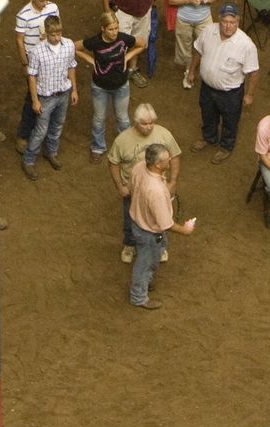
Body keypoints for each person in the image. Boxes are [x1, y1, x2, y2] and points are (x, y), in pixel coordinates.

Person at [108, 104, 182, 263]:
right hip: (133, 190)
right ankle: (129, 244)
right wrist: (120, 186)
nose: (149, 127)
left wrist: (173, 182)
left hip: (158, 189)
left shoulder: (164, 134)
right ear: (135, 122)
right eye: (144, 124)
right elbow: (113, 162)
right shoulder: (123, 140)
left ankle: (161, 247)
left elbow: (175, 156)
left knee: (161, 220)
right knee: (130, 219)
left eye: (151, 123)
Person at [127, 144, 196, 309]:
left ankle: (146, 282)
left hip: (138, 223)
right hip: (149, 232)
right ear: (158, 164)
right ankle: (138, 297)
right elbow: (166, 224)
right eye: (167, 159)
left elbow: (131, 188)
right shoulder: (156, 191)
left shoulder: (138, 168)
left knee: (153, 254)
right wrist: (185, 230)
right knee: (145, 263)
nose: (170, 160)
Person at [188, 6, 260, 164]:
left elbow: (253, 72)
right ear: (219, 20)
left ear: (238, 21)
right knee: (207, 114)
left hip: (230, 93)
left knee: (230, 120)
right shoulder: (208, 31)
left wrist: (249, 94)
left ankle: (226, 147)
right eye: (225, 22)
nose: (228, 26)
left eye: (232, 22)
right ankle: (209, 138)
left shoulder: (246, 45)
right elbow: (198, 51)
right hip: (207, 88)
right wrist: (191, 71)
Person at [79, 12, 144, 162]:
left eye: (116, 28)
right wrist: (91, 60)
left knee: (123, 119)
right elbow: (75, 47)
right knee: (99, 118)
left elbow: (142, 44)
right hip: (99, 87)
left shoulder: (123, 38)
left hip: (121, 86)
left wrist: (126, 57)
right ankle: (97, 147)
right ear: (103, 29)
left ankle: (126, 147)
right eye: (111, 29)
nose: (114, 32)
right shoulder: (95, 42)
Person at [22, 16, 79, 179]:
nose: (56, 37)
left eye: (59, 33)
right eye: (53, 34)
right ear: (46, 33)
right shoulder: (37, 51)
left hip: (63, 93)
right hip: (45, 97)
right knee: (41, 130)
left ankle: (51, 152)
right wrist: (35, 100)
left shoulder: (68, 45)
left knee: (57, 126)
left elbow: (71, 67)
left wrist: (74, 90)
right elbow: (32, 76)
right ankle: (28, 160)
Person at [12, 0, 60, 143]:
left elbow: (58, 29)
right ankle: (24, 134)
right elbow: (20, 40)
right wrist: (24, 63)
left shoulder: (53, 7)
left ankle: (45, 133)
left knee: (52, 93)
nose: (45, 2)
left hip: (51, 56)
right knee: (33, 96)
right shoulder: (23, 15)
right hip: (33, 59)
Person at [109, 0, 159, 86]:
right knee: (118, 44)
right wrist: (107, 10)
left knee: (138, 41)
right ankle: (114, 72)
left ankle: (132, 69)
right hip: (122, 10)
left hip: (144, 10)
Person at [174, 0, 211, 87]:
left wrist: (203, 1)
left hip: (204, 19)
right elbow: (172, 1)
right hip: (183, 19)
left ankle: (209, 76)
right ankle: (188, 72)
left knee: (208, 46)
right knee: (184, 49)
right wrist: (189, 1)